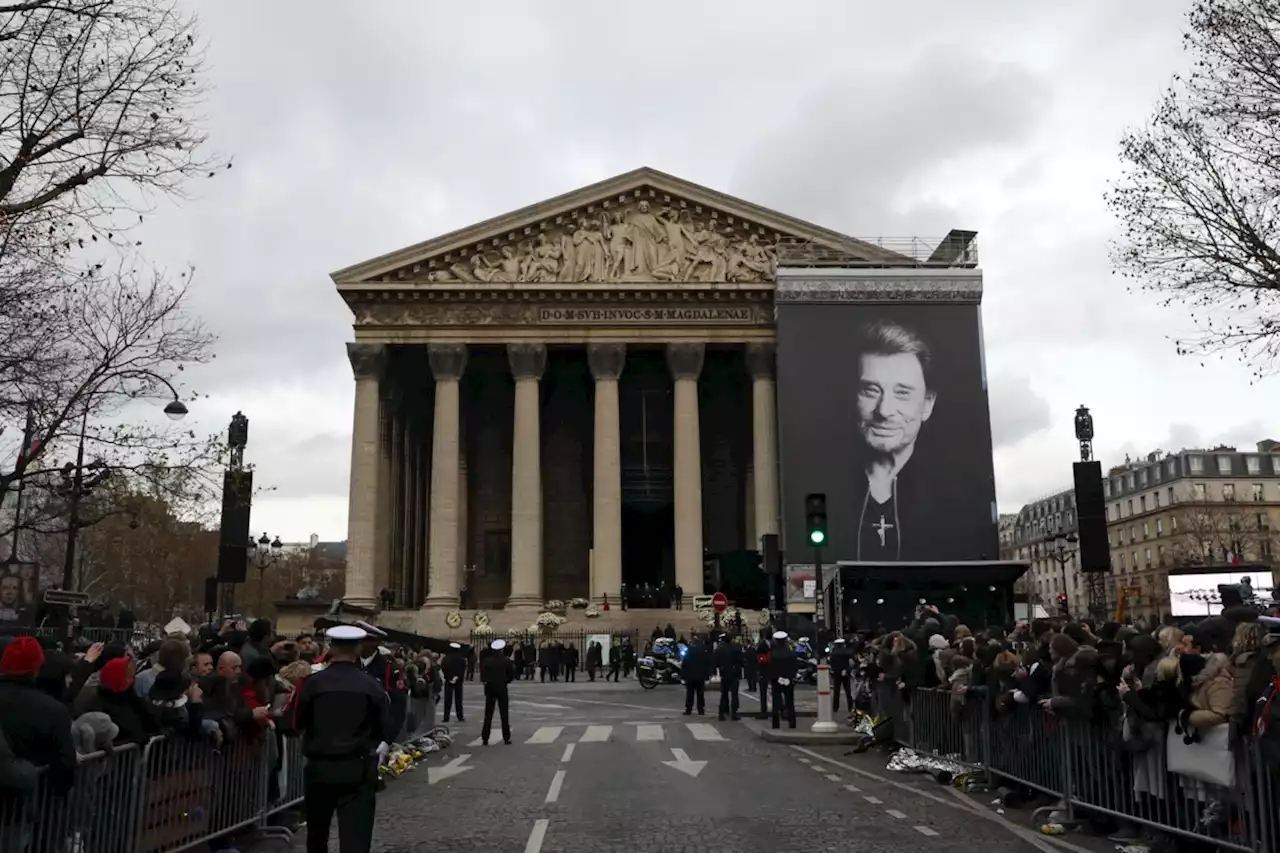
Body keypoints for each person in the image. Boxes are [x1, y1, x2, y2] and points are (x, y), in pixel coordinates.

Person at [848, 320, 949, 561]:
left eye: (902, 393)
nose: (884, 410)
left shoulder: (954, 500)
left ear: (927, 404)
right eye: (870, 390)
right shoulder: (824, 486)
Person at [293, 625, 392, 853]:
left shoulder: (313, 683)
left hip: (320, 766)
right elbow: (383, 729)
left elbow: (298, 722)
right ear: (358, 648)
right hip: (356, 767)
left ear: (331, 647)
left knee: (317, 837)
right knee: (356, 839)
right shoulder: (371, 685)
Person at [480, 639, 516, 746]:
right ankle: (506, 737)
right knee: (504, 714)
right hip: (501, 687)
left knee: (488, 714)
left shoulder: (487, 661)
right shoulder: (506, 660)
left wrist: (486, 682)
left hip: (490, 688)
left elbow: (483, 675)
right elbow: (512, 674)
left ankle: (485, 737)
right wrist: (506, 681)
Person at [768, 630, 798, 730]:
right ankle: (792, 723)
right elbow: (795, 667)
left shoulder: (772, 654)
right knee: (790, 703)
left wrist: (775, 677)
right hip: (788, 680)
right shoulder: (792, 653)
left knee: (776, 704)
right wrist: (791, 677)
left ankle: (775, 724)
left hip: (776, 680)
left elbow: (770, 667)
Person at [713, 633, 742, 721]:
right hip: (734, 673)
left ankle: (722, 713)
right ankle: (734, 713)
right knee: (734, 694)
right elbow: (740, 660)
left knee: (724, 694)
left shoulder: (720, 649)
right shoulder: (736, 647)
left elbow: (716, 661)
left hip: (724, 673)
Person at [681, 635, 711, 715]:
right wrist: (707, 676)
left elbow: (685, 664)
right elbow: (706, 664)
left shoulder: (689, 651)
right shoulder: (703, 651)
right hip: (700, 676)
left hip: (690, 676)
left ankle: (688, 709)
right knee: (700, 694)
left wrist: (683, 676)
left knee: (690, 693)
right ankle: (701, 709)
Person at [441, 642, 466, 722]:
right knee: (458, 699)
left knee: (447, 700)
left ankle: (446, 717)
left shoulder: (446, 658)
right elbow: (462, 669)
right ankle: (460, 716)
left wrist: (449, 677)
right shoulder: (461, 659)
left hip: (448, 680)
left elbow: (444, 668)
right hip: (458, 681)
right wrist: (457, 677)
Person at [828, 638, 854, 713]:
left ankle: (835, 707)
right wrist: (846, 670)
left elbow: (832, 664)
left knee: (836, 691)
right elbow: (851, 663)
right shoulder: (848, 652)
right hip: (846, 672)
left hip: (837, 673)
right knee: (848, 691)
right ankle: (850, 707)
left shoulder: (833, 653)